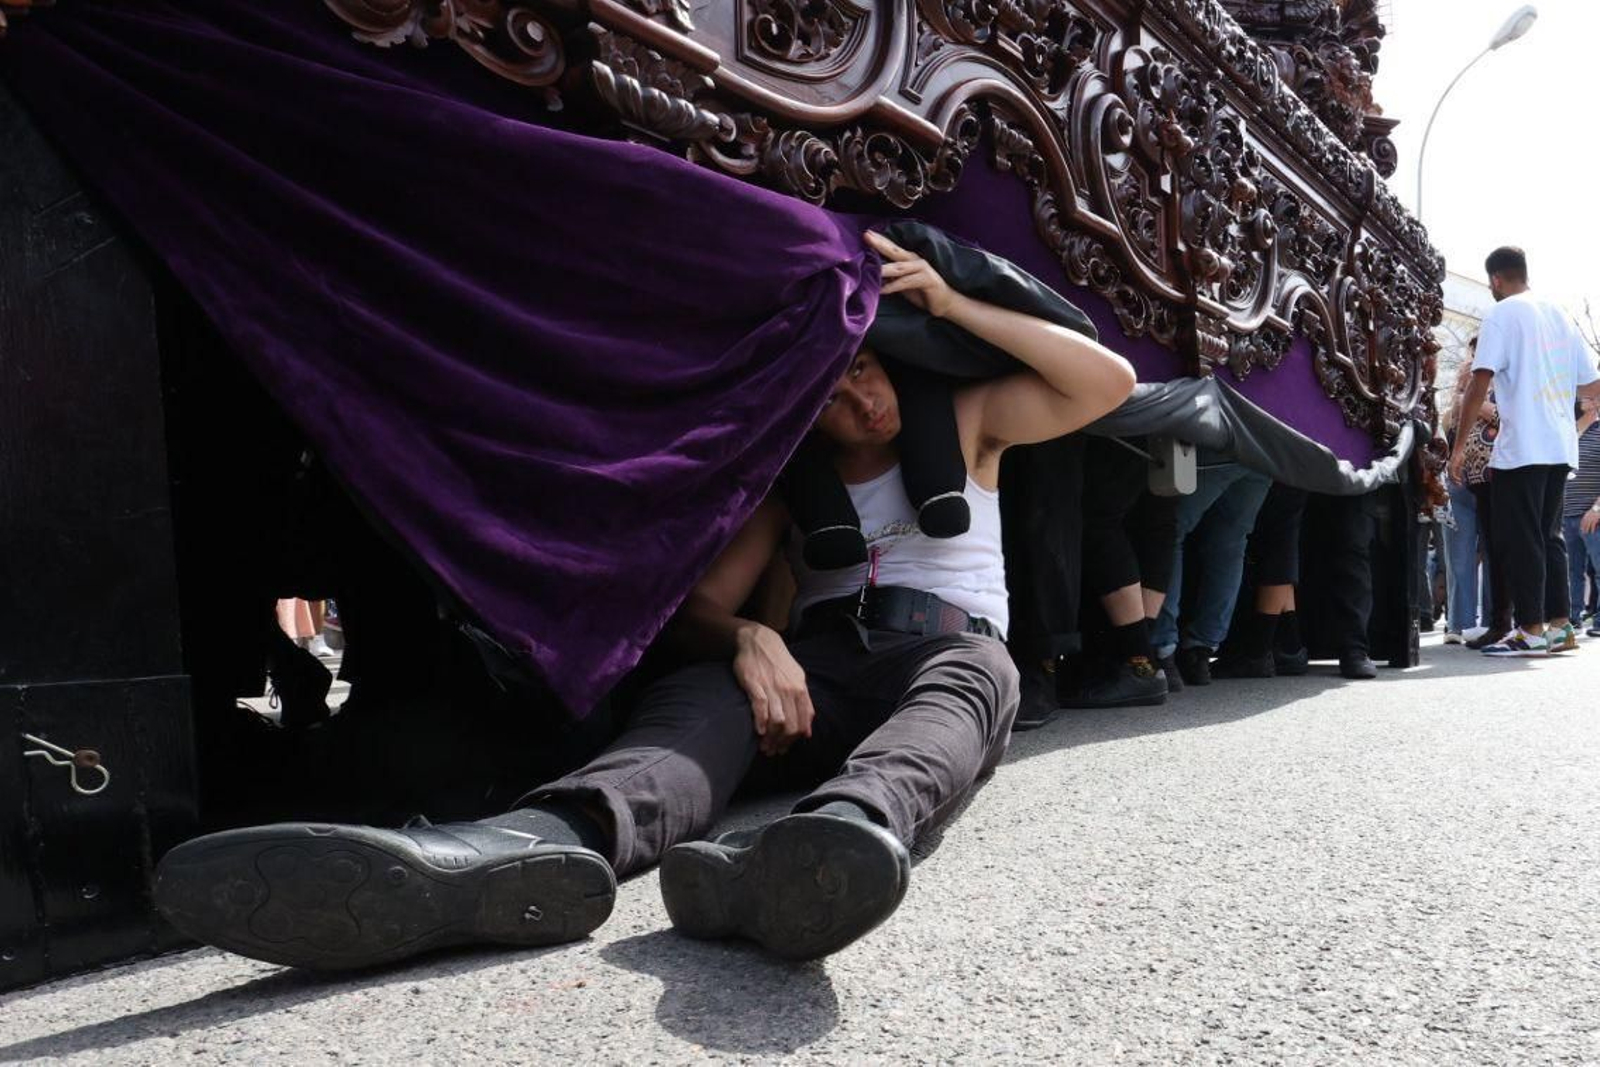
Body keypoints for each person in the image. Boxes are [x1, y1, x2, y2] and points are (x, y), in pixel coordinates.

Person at [151, 229, 1137, 969]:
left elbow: (1108, 381)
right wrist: (752, 635)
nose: (861, 399)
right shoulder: (791, 482)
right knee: (703, 689)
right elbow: (703, 603)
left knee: (975, 676)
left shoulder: (965, 421)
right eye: (834, 392)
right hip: (818, 669)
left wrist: (954, 306)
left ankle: (834, 839)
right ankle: (530, 846)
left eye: (868, 370)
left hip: (942, 650)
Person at [1449, 247, 1600, 656]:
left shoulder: (1502, 313)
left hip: (1522, 446)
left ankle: (1530, 629)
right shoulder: (1561, 315)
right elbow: (1592, 386)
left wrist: (1458, 448)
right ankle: (1560, 626)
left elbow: (1479, 382)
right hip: (1559, 446)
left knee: (1520, 538)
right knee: (1548, 536)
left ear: (1495, 280)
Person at [1151, 461, 1272, 687]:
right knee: (1231, 543)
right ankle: (1201, 649)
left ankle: (1162, 647)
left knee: (1169, 530)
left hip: (1224, 440)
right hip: (1268, 449)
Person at [1565, 398, 1600, 628]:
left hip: (1591, 516)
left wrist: (1596, 509)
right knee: (1570, 573)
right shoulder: (1566, 432)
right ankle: (1570, 618)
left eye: (1590, 394)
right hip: (1564, 514)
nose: (1584, 398)